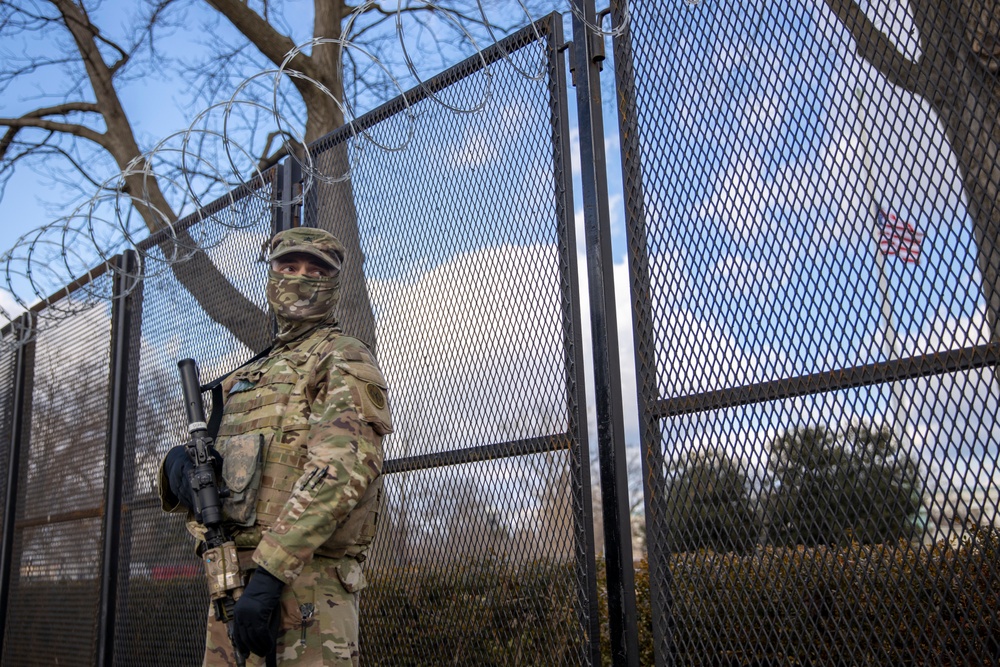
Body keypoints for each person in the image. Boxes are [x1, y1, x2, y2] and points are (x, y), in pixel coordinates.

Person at [158, 227, 392, 666]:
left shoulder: (341, 356)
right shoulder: (249, 376)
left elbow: (343, 471)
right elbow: (219, 470)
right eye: (289, 266)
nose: (301, 278)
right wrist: (177, 470)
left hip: (305, 592)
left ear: (333, 284)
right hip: (232, 586)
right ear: (271, 276)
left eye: (315, 270)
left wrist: (269, 573)